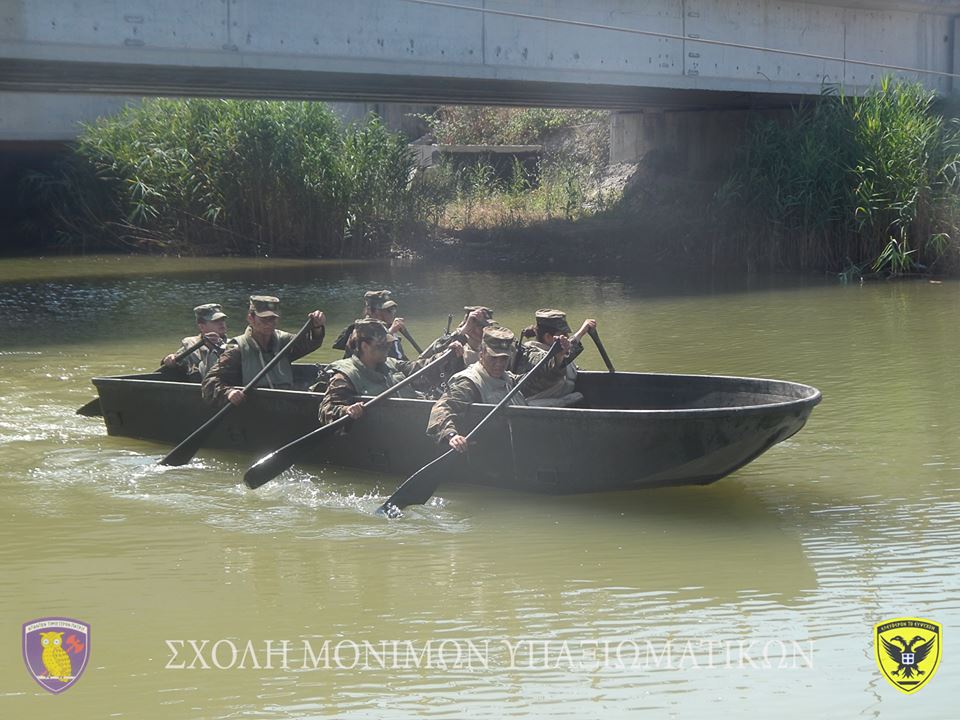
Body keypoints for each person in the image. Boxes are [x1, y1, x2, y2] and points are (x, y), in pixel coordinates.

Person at [427, 325, 569, 453]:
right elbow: (442, 408)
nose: (499, 364)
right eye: (493, 358)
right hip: (491, 455)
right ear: (481, 354)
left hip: (519, 447)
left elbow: (532, 383)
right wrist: (452, 436)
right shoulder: (469, 382)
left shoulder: (506, 378)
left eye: (503, 358)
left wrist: (557, 359)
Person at [319, 319, 463, 425]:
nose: (388, 348)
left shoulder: (390, 363)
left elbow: (419, 369)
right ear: (365, 346)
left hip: (409, 424)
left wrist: (445, 356)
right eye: (382, 345)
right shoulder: (345, 376)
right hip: (381, 434)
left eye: (389, 344)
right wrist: (347, 410)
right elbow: (326, 410)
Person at [202, 295, 326, 405]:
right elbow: (210, 382)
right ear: (250, 318)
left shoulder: (284, 341)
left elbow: (309, 343)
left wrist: (317, 326)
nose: (269, 324)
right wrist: (228, 392)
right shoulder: (237, 349)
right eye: (263, 319)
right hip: (257, 408)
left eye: (272, 319)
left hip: (286, 405)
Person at [515, 309, 597, 406]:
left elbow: (566, 357)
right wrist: (580, 333)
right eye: (563, 334)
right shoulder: (532, 355)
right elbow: (551, 364)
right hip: (537, 412)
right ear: (548, 337)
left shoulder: (562, 354)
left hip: (561, 403)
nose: (567, 337)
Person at [332, 290, 409, 360]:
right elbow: (365, 360)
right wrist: (390, 333)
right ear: (370, 311)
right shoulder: (358, 332)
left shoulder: (389, 330)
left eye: (393, 309)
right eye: (387, 310)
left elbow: (401, 359)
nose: (391, 313)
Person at [160, 303, 229, 381]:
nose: (221, 323)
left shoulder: (234, 344)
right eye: (215, 321)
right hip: (197, 385)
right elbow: (176, 362)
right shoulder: (190, 343)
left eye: (222, 320)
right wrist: (168, 359)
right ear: (202, 327)